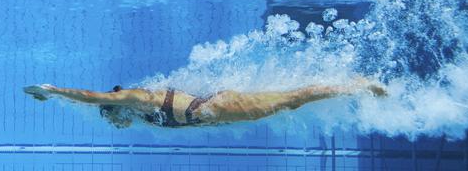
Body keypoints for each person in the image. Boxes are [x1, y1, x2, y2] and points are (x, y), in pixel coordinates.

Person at [24, 78, 387, 128]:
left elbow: (88, 98)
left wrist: (53, 91)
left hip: (220, 108)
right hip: (219, 112)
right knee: (288, 104)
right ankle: (352, 87)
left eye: (109, 118)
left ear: (114, 106)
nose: (115, 124)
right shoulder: (139, 111)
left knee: (291, 101)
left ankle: (356, 85)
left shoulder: (132, 98)